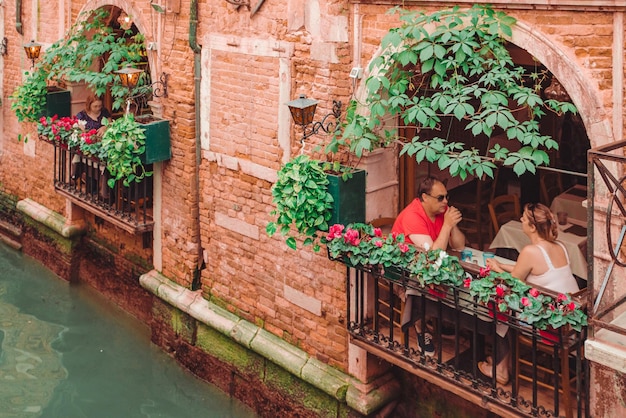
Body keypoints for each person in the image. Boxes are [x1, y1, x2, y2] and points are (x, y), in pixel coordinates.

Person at [480, 202, 580, 383]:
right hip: (570, 323)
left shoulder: (530, 251)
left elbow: (513, 283)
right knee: (510, 307)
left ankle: (502, 368)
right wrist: (501, 265)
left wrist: (497, 270)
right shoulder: (561, 246)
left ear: (532, 227)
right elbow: (529, 270)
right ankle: (502, 362)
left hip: (551, 328)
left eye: (524, 218)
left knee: (501, 308)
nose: (521, 220)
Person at [393, 176, 466, 355]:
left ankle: (443, 319)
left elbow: (460, 246)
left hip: (429, 264)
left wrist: (452, 226)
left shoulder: (442, 211)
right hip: (404, 269)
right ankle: (421, 330)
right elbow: (432, 255)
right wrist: (447, 226)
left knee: (455, 279)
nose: (445, 202)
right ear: (425, 197)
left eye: (446, 197)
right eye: (440, 198)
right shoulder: (413, 216)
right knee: (422, 285)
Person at [73, 95, 111, 199]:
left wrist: (105, 127)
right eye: (95, 106)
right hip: (88, 146)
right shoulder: (82, 115)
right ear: (89, 105)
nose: (98, 108)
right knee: (90, 167)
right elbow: (77, 127)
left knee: (101, 167)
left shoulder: (104, 112)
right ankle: (92, 191)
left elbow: (110, 123)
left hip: (101, 145)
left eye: (99, 106)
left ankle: (103, 192)